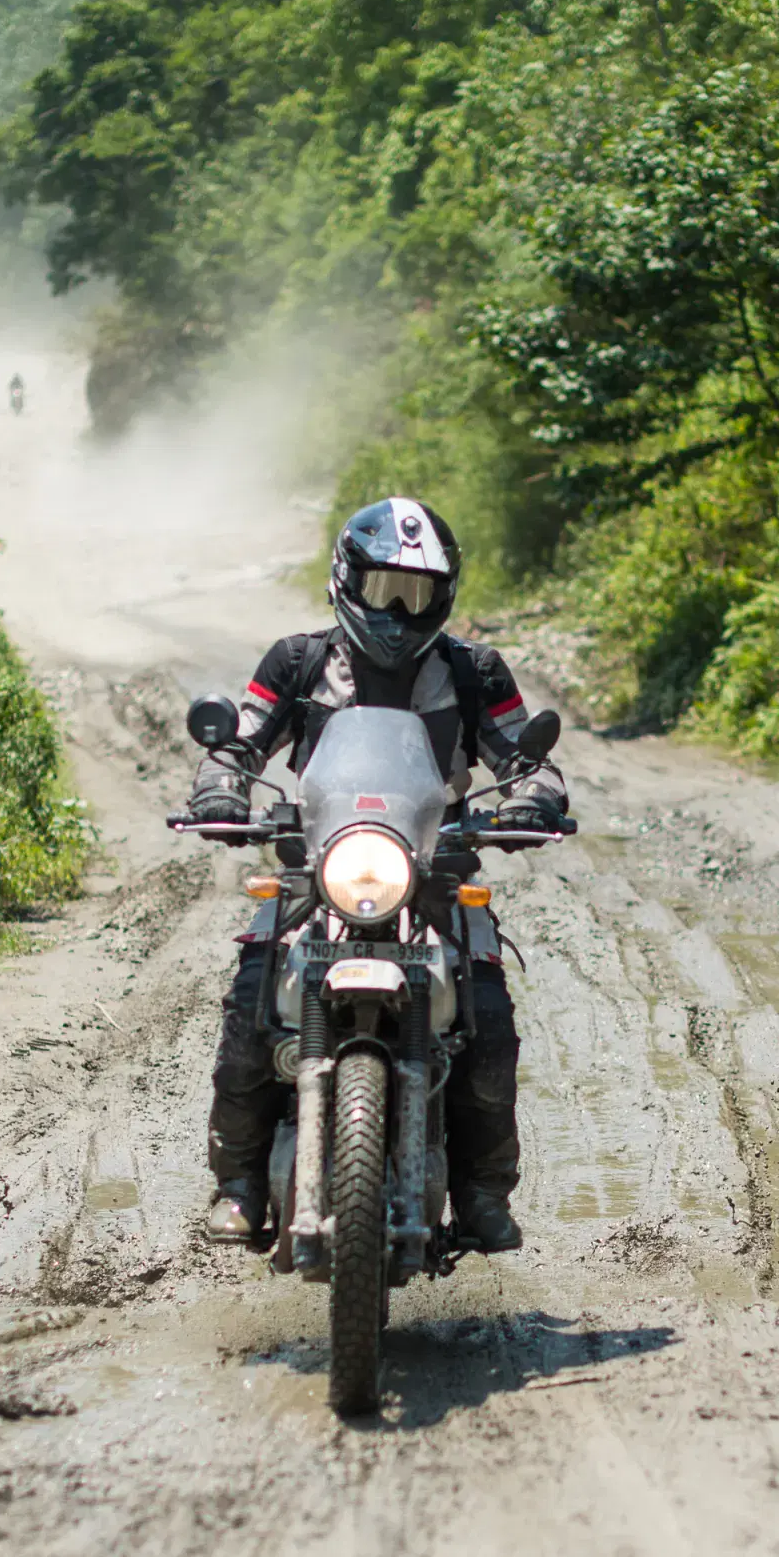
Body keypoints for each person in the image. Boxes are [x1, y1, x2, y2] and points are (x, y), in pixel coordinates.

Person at [179, 498, 568, 1254]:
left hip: (436, 873)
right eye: (385, 588)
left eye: (415, 593)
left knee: (487, 1027)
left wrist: (534, 800)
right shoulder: (296, 662)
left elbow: (527, 756)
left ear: (444, 596)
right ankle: (240, 1187)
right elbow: (239, 744)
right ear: (346, 581)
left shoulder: (473, 670)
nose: (398, 610)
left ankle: (483, 1194)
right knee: (252, 1011)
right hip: (317, 872)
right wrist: (220, 788)